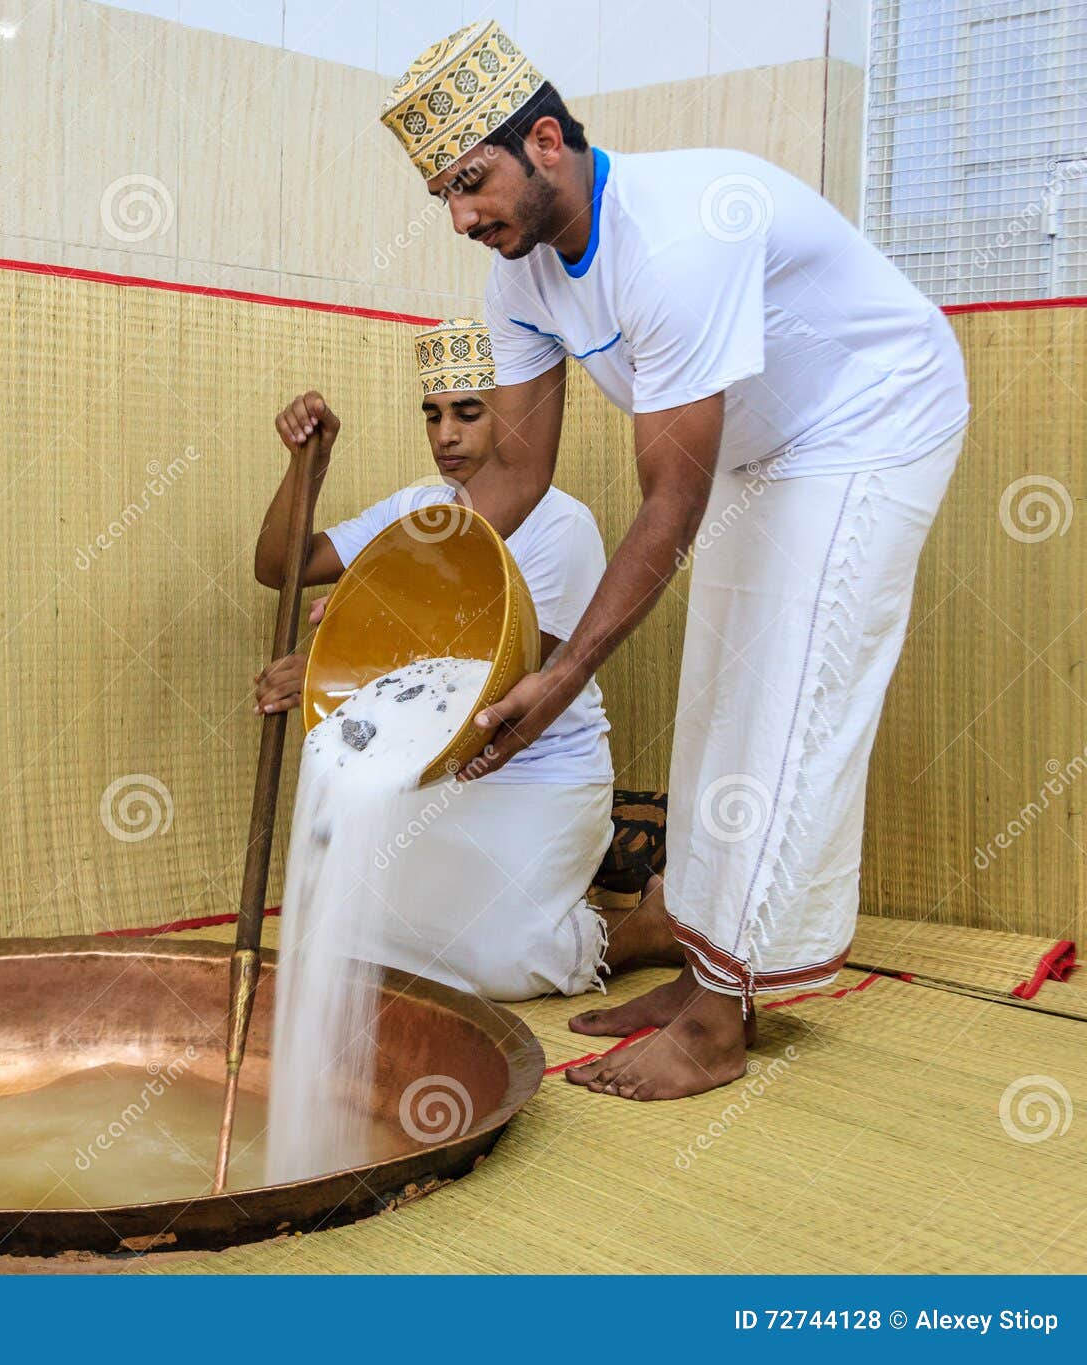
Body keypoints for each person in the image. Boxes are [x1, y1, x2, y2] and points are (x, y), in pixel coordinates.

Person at [356, 20, 970, 1099]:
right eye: (443, 199)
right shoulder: (521, 277)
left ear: (544, 141)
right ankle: (699, 962)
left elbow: (668, 501)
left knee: (792, 697)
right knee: (722, 692)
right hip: (760, 445)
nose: (461, 219)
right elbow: (511, 479)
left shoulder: (677, 234)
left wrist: (564, 673)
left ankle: (720, 1020)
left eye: (472, 183)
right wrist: (383, 600)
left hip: (871, 422)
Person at [253, 318, 680, 1001]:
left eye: (468, 412)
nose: (445, 434)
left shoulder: (561, 526)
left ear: (513, 416)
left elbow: (498, 676)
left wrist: (341, 675)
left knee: (505, 963)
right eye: (433, 414)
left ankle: (647, 926)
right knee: (357, 940)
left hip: (533, 770)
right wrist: (308, 466)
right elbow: (283, 565)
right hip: (434, 769)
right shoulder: (418, 509)